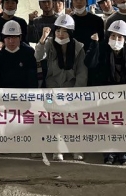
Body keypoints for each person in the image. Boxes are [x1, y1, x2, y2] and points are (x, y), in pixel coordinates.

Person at [35, 14, 88, 161]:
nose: (60, 34)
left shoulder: (79, 47)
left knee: (73, 121)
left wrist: (75, 95)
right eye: (58, 30)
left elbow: (82, 72)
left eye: (64, 31)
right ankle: (57, 149)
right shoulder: (50, 43)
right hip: (52, 89)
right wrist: (42, 39)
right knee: (54, 120)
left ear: (70, 33)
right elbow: (38, 56)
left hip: (70, 90)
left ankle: (76, 148)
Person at [84, 20, 126, 165]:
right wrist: (94, 44)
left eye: (120, 37)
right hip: (105, 96)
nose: (116, 40)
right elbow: (89, 63)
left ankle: (125, 154)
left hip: (124, 97)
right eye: (113, 36)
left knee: (125, 125)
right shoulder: (101, 50)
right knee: (107, 125)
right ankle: (109, 154)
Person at [0, 20, 38, 88]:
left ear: (20, 37)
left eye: (14, 37)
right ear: (3, 38)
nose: (11, 41)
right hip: (3, 92)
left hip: (23, 92)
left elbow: (33, 77)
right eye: (8, 38)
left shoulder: (28, 52)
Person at [68, 0, 104, 82]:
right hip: (74, 64)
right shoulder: (68, 21)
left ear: (86, 1)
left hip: (93, 63)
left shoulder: (97, 20)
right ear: (72, 2)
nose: (79, 2)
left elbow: (101, 44)